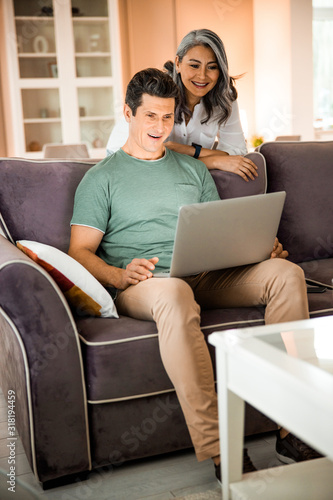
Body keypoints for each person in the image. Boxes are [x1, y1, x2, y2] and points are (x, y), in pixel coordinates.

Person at [69, 68, 320, 484]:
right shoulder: (101, 178)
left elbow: (217, 231)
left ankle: (292, 429)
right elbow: (79, 251)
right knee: (173, 294)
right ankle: (221, 448)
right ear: (128, 114)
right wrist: (117, 275)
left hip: (203, 272)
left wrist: (258, 248)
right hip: (146, 283)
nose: (159, 127)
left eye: (167, 117)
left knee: (286, 275)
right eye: (150, 116)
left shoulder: (192, 172)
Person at [106, 28, 258, 182]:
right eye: (194, 65)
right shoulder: (159, 93)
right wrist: (214, 160)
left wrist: (188, 151)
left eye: (212, 67)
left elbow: (237, 154)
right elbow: (134, 159)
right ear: (178, 63)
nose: (202, 75)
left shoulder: (225, 99)